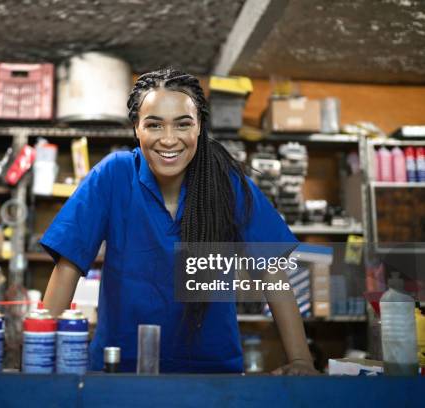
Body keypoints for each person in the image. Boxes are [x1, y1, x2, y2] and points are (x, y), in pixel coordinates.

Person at [41, 68, 317, 375]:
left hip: (212, 375)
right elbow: (68, 266)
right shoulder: (113, 175)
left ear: (199, 126)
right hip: (119, 372)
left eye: (182, 124)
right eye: (154, 125)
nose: (169, 139)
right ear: (137, 128)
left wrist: (301, 360)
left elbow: (271, 269)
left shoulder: (226, 182)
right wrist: (37, 358)